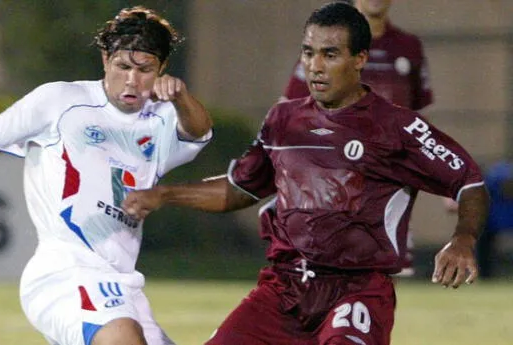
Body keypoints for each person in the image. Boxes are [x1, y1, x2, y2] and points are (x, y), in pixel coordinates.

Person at [123, 3, 488, 344]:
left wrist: (463, 240)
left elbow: (469, 181)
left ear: (359, 59)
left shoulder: (396, 127)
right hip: (284, 288)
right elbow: (239, 189)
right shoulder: (283, 120)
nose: (315, 65)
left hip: (357, 290)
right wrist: (164, 194)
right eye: (308, 52)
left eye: (330, 54)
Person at [0, 6, 212, 345]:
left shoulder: (160, 120)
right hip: (64, 274)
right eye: (123, 66)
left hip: (123, 283)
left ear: (162, 69)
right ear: (105, 59)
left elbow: (198, 132)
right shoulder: (59, 101)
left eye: (144, 70)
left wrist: (181, 97)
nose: (132, 79)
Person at [282, 0, 434, 277]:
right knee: (325, 271)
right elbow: (289, 109)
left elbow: (418, 122)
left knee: (385, 274)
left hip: (389, 182)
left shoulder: (408, 47)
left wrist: (443, 177)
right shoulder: (324, 46)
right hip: (332, 179)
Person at [445, 160, 513, 279]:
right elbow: (452, 206)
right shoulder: (485, 182)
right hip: (490, 223)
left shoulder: (498, 175)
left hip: (496, 220)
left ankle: (483, 274)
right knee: (480, 238)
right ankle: (483, 274)